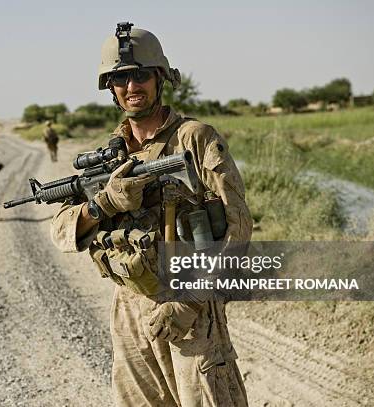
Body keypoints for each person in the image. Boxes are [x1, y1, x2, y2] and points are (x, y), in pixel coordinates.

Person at [50, 22, 252, 406]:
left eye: (141, 75)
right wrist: (103, 204)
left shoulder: (195, 138)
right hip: (128, 309)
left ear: (161, 78)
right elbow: (61, 230)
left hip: (190, 308)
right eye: (120, 78)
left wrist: (189, 302)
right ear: (110, 88)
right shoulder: (109, 156)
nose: (131, 86)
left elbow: (238, 227)